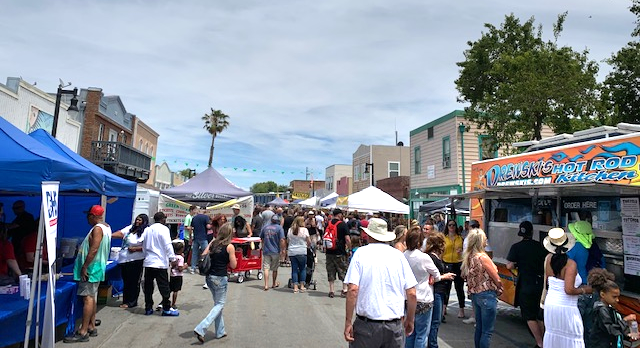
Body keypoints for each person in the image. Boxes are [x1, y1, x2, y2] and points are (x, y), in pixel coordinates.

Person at [344, 218, 418, 348]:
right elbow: (412, 293)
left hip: (367, 325)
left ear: (368, 235)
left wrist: (348, 321)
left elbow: (353, 290)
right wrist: (410, 320)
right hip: (394, 325)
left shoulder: (361, 253)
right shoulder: (398, 256)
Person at [64, 205, 111, 343]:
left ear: (92, 216)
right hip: (96, 267)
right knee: (92, 296)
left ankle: (83, 331)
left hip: (92, 268)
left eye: (88, 216)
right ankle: (90, 326)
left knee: (88, 298)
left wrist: (84, 267)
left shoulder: (97, 229)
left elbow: (94, 248)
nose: (87, 219)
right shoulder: (106, 227)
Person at [542, 227, 592, 348]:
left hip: (551, 303)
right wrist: (586, 290)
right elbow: (569, 290)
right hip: (566, 306)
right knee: (572, 337)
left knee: (554, 337)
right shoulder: (571, 264)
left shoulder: (548, 259)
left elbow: (548, 282)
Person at [404, 227, 449, 348]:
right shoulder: (424, 257)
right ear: (420, 241)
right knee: (422, 334)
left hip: (408, 298)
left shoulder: (403, 255)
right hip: (424, 298)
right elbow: (437, 275)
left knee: (409, 332)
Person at [193, 223, 237, 344]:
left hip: (209, 277)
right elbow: (234, 265)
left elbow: (203, 255)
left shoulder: (213, 244)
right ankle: (201, 328)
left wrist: (213, 241)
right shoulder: (229, 247)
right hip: (220, 277)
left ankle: (220, 331)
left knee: (218, 304)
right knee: (220, 304)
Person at [506, 221, 547, 348]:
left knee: (529, 316)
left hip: (525, 284)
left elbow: (510, 265)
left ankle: (539, 343)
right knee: (539, 315)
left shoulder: (516, 247)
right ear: (532, 232)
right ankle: (545, 342)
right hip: (540, 284)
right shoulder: (540, 246)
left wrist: (517, 266)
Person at [462, 229, 503, 348]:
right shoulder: (483, 257)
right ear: (480, 241)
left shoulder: (469, 257)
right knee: (487, 331)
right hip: (487, 294)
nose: (486, 241)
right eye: (485, 239)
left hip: (476, 295)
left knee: (479, 329)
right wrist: (500, 287)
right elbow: (496, 277)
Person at [567, 217, 605, 341]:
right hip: (594, 289)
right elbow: (603, 266)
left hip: (580, 290)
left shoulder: (573, 249)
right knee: (590, 325)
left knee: (575, 326)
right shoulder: (595, 248)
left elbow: (564, 268)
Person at [588, 268, 637, 347]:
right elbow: (610, 329)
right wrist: (625, 320)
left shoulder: (609, 308)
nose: (617, 300)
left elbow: (615, 327)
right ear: (603, 294)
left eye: (618, 297)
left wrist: (628, 334)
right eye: (614, 297)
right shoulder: (601, 310)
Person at [142, 211, 179, 317]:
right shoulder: (164, 229)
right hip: (160, 263)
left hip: (149, 262)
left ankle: (148, 307)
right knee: (164, 287)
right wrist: (172, 258)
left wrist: (145, 255)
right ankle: (166, 308)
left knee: (148, 287)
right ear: (163, 219)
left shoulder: (148, 229)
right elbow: (167, 245)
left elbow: (144, 245)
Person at [111, 214, 149, 308]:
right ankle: (126, 301)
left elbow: (148, 246)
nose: (137, 222)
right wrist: (108, 234)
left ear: (144, 221)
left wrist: (136, 249)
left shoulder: (146, 231)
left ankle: (132, 302)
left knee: (133, 282)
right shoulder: (130, 228)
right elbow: (120, 233)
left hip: (136, 260)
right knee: (126, 281)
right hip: (124, 259)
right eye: (137, 219)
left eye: (140, 220)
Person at [426, 233, 456, 348]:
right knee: (435, 321)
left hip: (439, 291)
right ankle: (432, 345)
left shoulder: (434, 256)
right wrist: (445, 276)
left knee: (435, 321)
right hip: (436, 291)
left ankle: (432, 344)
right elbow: (432, 278)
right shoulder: (432, 257)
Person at [442, 220, 465, 319]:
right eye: (450, 225)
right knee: (446, 288)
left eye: (453, 225)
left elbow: (465, 251)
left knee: (459, 287)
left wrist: (462, 251)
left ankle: (461, 309)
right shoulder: (444, 238)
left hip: (458, 263)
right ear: (447, 226)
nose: (451, 227)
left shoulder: (460, 238)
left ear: (456, 227)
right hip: (446, 263)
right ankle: (444, 308)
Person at [326, 208, 351, 298]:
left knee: (330, 270)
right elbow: (347, 239)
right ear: (340, 215)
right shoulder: (343, 224)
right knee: (343, 270)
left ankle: (331, 290)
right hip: (340, 251)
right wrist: (349, 248)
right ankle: (344, 290)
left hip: (329, 251)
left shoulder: (328, 223)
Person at [259, 214, 286, 291]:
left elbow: (261, 238)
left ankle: (266, 285)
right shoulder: (279, 228)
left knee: (266, 268)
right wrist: (283, 249)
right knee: (274, 269)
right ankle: (273, 283)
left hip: (266, 250)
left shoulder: (265, 227)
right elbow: (282, 240)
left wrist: (263, 246)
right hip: (275, 251)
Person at [287, 216, 311, 293]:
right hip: (301, 251)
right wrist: (309, 246)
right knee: (302, 268)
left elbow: (288, 240)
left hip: (292, 251)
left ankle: (295, 287)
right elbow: (309, 241)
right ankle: (302, 285)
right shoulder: (305, 230)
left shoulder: (290, 230)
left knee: (294, 269)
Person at [170, 240, 186, 310]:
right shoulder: (181, 258)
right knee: (175, 291)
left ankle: (162, 302)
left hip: (172, 275)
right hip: (178, 276)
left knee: (170, 289)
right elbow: (180, 268)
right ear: (181, 249)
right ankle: (173, 304)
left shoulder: (173, 257)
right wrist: (185, 266)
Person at [184, 205, 196, 274]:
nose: (195, 211)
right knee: (186, 250)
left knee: (189, 250)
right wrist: (192, 228)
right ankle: (184, 262)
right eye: (195, 210)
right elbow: (186, 227)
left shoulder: (192, 217)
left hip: (191, 236)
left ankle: (186, 263)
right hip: (187, 237)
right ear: (191, 210)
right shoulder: (188, 217)